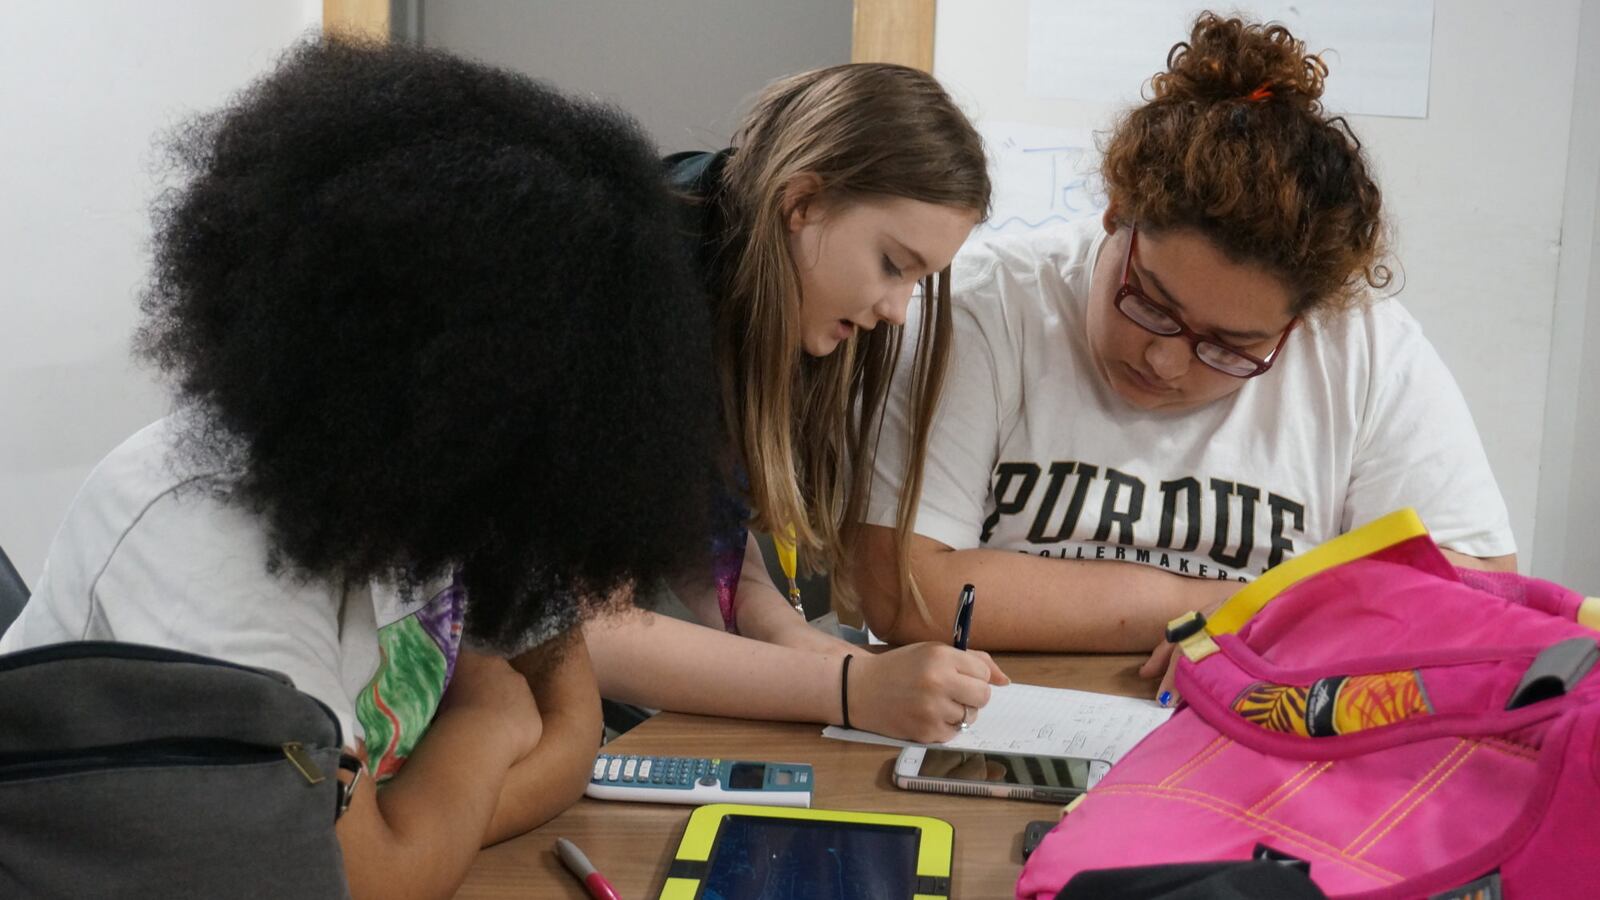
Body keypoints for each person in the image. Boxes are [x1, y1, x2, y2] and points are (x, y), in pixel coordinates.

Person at [0, 39, 721, 900]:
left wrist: (424, 822)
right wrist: (488, 721)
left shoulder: (463, 489)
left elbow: (572, 729)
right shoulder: (204, 545)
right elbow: (365, 879)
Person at [849, 13, 1516, 693]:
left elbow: (1479, 591)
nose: (1166, 363)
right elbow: (901, 587)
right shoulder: (987, 308)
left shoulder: (1368, 349)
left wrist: (1270, 624)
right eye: (1150, 304)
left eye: (1229, 347)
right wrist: (1220, 609)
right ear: (1116, 213)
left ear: (1302, 321)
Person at [583, 63, 1009, 743]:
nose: (898, 312)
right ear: (803, 201)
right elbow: (576, 630)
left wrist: (810, 647)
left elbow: (701, 528)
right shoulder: (623, 290)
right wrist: (849, 687)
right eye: (893, 265)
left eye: (918, 280)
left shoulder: (737, 253)